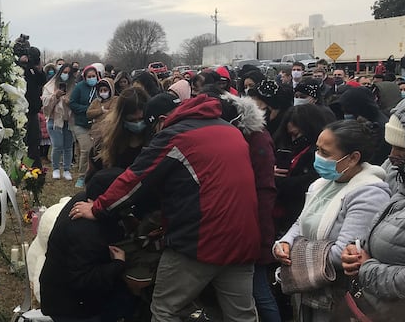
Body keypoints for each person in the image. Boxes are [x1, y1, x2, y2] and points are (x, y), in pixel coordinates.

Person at [70, 94, 261, 322]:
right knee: (240, 315)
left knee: (165, 310)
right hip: (244, 237)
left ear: (161, 120)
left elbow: (136, 178)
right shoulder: (230, 131)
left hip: (200, 240)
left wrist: (99, 208)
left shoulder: (176, 136)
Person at [341, 91, 405, 320]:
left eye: (403, 148)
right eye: (392, 145)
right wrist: (355, 248)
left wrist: (364, 268)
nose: (392, 155)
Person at [274, 120, 390, 322]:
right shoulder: (322, 184)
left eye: (325, 153)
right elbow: (302, 222)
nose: (318, 157)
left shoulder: (369, 194)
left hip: (337, 298)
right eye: (317, 150)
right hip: (311, 293)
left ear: (353, 158)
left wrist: (294, 253)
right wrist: (284, 242)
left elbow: (341, 254)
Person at [207, 89, 280, 322]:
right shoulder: (243, 135)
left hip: (254, 227)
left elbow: (264, 190)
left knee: (258, 291)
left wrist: (261, 234)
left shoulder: (256, 140)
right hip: (240, 225)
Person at [40, 169, 133, 322]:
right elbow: (83, 279)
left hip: (64, 291)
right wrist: (118, 264)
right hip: (70, 307)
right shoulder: (86, 232)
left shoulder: (83, 199)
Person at [272, 104, 336, 237]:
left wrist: (277, 181)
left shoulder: (318, 154)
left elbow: (307, 182)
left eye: (297, 135)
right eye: (291, 136)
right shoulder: (284, 145)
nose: (294, 140)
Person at [88, 87, 154, 179]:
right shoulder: (105, 143)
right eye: (132, 120)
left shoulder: (156, 141)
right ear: (121, 119)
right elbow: (93, 178)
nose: (137, 124)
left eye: (141, 119)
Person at [335, 86, 391, 165]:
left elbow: (375, 160)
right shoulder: (370, 122)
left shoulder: (379, 128)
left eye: (348, 111)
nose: (345, 114)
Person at [42, 64, 75, 180]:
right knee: (57, 145)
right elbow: (45, 106)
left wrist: (70, 102)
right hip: (54, 120)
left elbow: (77, 103)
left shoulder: (73, 87)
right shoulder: (49, 86)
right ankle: (55, 168)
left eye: (68, 73)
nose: (65, 75)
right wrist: (55, 96)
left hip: (69, 120)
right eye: (64, 72)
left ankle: (67, 169)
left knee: (68, 146)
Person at [69, 66, 100, 184]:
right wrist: (88, 109)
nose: (92, 79)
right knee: (86, 150)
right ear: (84, 77)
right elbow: (72, 103)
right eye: (89, 77)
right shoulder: (79, 87)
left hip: (96, 124)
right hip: (81, 124)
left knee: (96, 150)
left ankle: (94, 174)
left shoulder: (100, 87)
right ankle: (82, 176)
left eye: (94, 76)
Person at [22, 46, 48, 168]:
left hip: (32, 111)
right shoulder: (20, 68)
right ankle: (22, 168)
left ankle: (35, 170)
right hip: (21, 111)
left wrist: (38, 68)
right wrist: (22, 63)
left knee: (34, 141)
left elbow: (42, 80)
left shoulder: (33, 70)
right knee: (23, 143)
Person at [87, 78, 117, 143]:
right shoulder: (96, 101)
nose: (103, 92)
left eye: (105, 90)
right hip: (96, 134)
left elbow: (112, 114)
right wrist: (101, 111)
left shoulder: (115, 100)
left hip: (110, 132)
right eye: (101, 90)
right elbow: (88, 114)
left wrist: (96, 118)